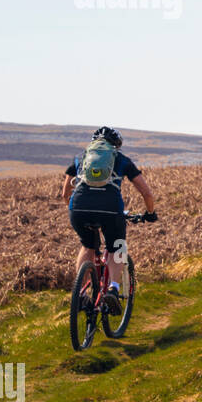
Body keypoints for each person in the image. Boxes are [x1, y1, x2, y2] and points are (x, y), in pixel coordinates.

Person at [60, 127, 157, 314]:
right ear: (116, 146)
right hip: (110, 210)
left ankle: (80, 292)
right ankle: (113, 288)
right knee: (118, 246)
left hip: (78, 209)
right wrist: (150, 213)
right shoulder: (121, 160)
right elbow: (146, 193)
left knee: (87, 245)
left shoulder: (80, 158)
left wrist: (76, 209)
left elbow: (65, 193)